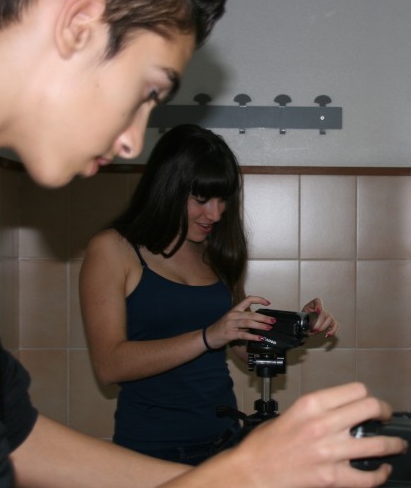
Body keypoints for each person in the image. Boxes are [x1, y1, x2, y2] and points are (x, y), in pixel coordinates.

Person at [0, 0, 405, 486]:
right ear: (78, 22)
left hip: (217, 438)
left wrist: (243, 467)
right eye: (148, 90)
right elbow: (104, 370)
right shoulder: (102, 246)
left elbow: (13, 438)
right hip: (155, 438)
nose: (131, 143)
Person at [79, 123, 339, 465]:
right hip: (152, 449)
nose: (215, 214)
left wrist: (295, 328)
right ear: (167, 188)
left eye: (222, 199)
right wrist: (207, 336)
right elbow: (109, 366)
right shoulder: (113, 250)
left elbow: (241, 346)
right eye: (201, 199)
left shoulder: (216, 252)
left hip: (225, 440)